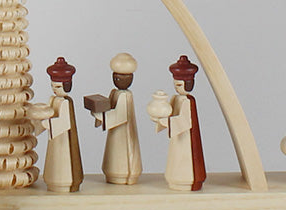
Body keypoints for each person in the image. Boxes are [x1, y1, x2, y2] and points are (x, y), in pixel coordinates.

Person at [149, 55, 206, 192]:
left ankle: (186, 180)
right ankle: (174, 179)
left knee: (184, 161)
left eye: (179, 85)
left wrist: (166, 122)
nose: (176, 88)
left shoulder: (188, 102)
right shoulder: (176, 98)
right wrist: (159, 116)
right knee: (175, 158)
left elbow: (184, 122)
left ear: (189, 84)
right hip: (176, 137)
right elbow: (169, 112)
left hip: (186, 139)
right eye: (175, 84)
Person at [88, 52, 142, 185]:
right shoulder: (114, 92)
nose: (118, 80)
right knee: (113, 155)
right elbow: (109, 108)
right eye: (116, 77)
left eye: (122, 78)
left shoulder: (125, 96)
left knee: (122, 158)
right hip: (114, 133)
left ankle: (123, 174)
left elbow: (119, 117)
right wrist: (99, 110)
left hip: (123, 133)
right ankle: (113, 173)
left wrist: (100, 115)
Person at [32, 57, 83, 193]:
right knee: (53, 161)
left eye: (58, 87)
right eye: (53, 86)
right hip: (54, 138)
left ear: (67, 86)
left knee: (63, 163)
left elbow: (64, 123)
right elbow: (47, 113)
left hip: (63, 139)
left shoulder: (66, 103)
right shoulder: (53, 100)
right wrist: (38, 121)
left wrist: (46, 123)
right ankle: (53, 181)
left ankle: (65, 182)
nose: (55, 90)